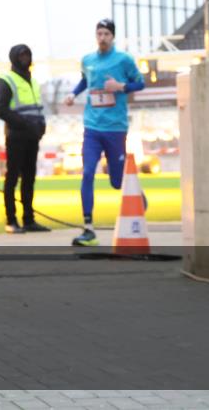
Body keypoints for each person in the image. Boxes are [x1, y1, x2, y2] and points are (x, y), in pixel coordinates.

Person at [63, 19, 144, 246]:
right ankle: (88, 229)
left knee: (117, 182)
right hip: (92, 127)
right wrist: (72, 94)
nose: (102, 38)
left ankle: (137, 196)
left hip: (115, 128)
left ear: (113, 37)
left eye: (107, 33)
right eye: (99, 33)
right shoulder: (88, 60)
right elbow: (83, 80)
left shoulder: (124, 60)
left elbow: (140, 83)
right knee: (87, 173)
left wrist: (121, 87)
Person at [0, 44, 50, 233]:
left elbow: (36, 107)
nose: (25, 58)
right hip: (16, 136)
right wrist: (24, 123)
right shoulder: (7, 80)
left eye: (27, 55)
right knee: (13, 178)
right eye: (21, 55)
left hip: (32, 137)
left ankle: (29, 219)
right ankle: (11, 220)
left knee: (29, 178)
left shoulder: (32, 81)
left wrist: (40, 125)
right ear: (14, 58)